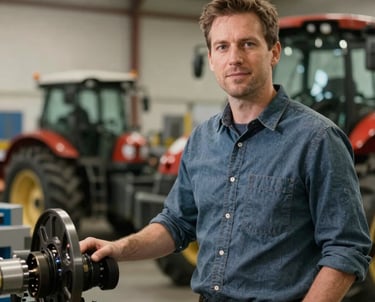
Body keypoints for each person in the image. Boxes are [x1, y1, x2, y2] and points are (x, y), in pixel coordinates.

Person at [80, 0, 372, 301]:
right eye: (222, 46)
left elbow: (346, 248)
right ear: (210, 58)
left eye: (247, 44)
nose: (234, 58)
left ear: (273, 52)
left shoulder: (318, 140)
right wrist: (117, 248)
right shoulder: (201, 140)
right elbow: (176, 223)